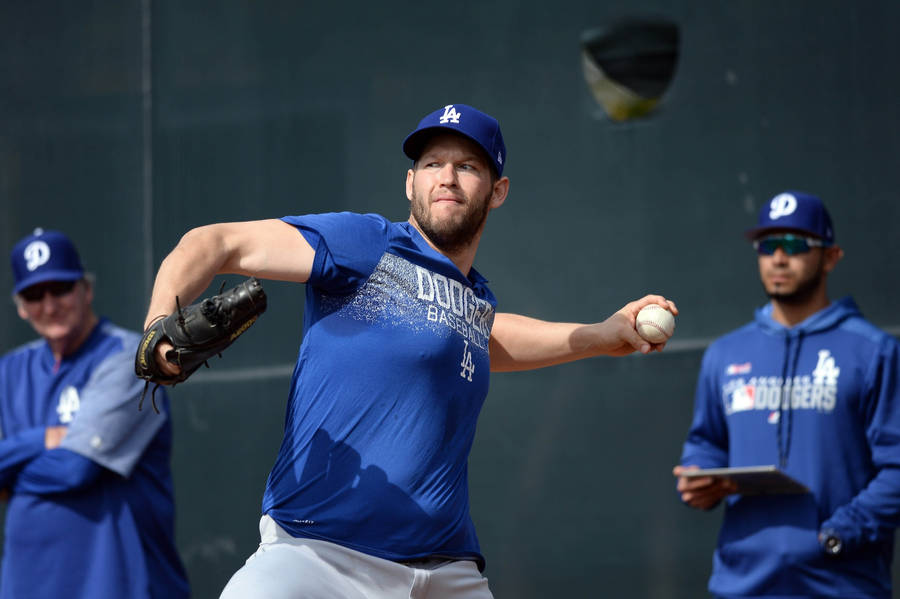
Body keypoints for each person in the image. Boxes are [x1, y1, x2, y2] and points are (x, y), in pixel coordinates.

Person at [143, 103, 677, 599]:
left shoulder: (473, 301)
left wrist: (603, 335)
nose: (446, 177)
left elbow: (488, 336)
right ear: (409, 182)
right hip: (317, 557)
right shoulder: (366, 245)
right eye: (431, 163)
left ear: (498, 190)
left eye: (467, 165)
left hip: (445, 572)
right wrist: (158, 330)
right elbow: (213, 243)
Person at [674, 191, 900, 598]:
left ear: (830, 257)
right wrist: (699, 478)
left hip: (841, 583)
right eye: (767, 246)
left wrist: (837, 534)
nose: (778, 257)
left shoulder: (873, 352)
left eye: (796, 245)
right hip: (741, 583)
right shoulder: (725, 353)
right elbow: (705, 444)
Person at [0, 229, 190, 599]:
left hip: (115, 582)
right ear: (20, 305)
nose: (50, 305)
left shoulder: (129, 360)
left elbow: (74, 469)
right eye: (35, 295)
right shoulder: (9, 371)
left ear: (86, 289)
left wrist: (11, 470)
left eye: (61, 288)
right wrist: (43, 439)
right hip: (27, 584)